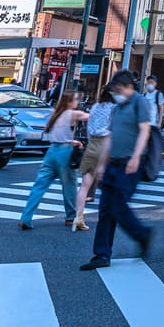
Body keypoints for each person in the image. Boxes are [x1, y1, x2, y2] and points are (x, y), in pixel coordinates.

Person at [79, 71, 155, 271]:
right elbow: (110, 136)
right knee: (106, 209)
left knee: (118, 206)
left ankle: (142, 234)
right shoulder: (118, 107)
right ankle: (101, 254)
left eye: (118, 90)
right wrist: (103, 164)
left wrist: (136, 156)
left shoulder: (140, 102)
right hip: (113, 162)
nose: (116, 94)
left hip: (129, 163)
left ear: (128, 87)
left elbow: (144, 130)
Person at [20, 92, 86, 228]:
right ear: (69, 102)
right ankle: (71, 217)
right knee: (69, 186)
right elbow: (88, 117)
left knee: (39, 186)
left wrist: (71, 141)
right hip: (65, 152)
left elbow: (57, 135)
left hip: (51, 151)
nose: (77, 102)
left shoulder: (55, 115)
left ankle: (25, 218)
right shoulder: (72, 114)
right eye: (75, 99)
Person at [70, 88, 116, 232]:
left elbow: (89, 127)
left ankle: (78, 217)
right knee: (112, 184)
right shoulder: (115, 109)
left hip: (93, 144)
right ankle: (110, 219)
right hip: (106, 143)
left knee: (85, 185)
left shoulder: (95, 107)